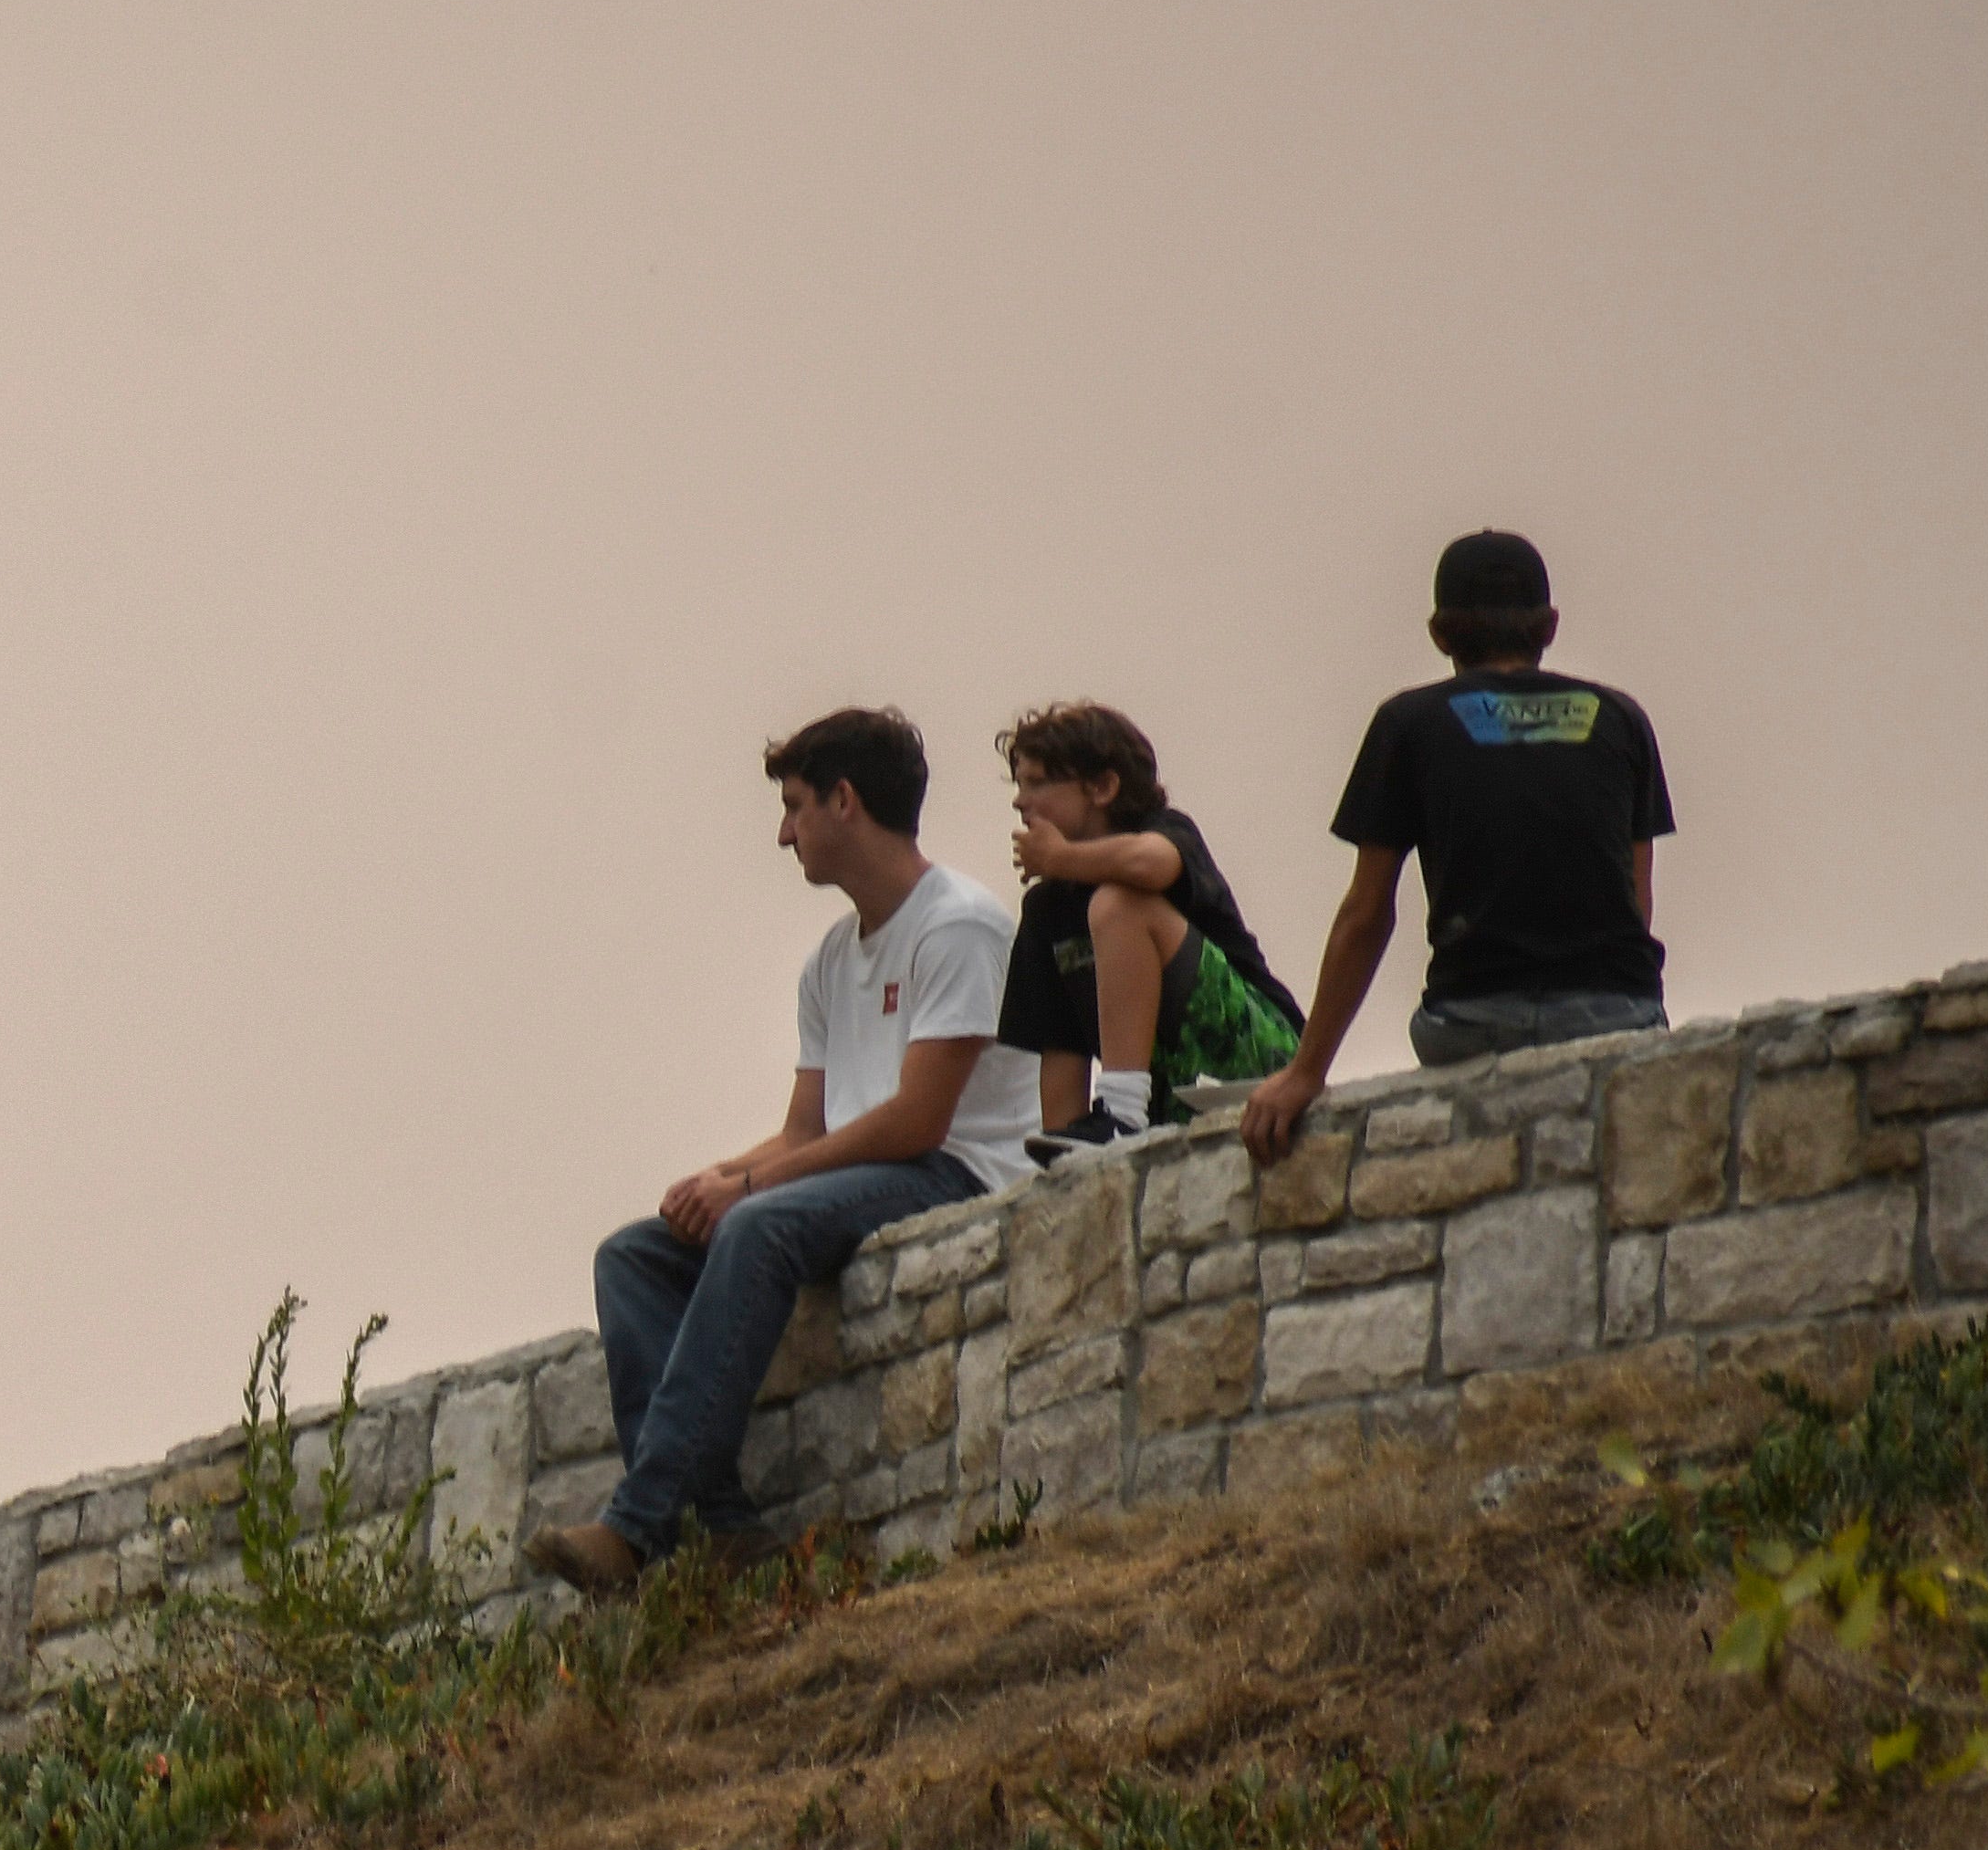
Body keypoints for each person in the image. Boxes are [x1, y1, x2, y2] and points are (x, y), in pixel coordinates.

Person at [531, 707, 1041, 1595]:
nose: (782, 832)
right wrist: (723, 1177)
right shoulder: (831, 960)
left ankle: (638, 1526)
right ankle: (723, 1523)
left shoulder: (957, 926)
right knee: (634, 1256)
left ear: (846, 802)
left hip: (954, 1174)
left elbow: (919, 1121)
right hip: (862, 1174)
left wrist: (754, 1188)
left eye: (795, 805)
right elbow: (808, 1129)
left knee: (758, 1226)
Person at [1241, 531, 1672, 1164]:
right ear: (1549, 626)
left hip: (1474, 1017)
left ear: (1440, 633)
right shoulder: (1619, 718)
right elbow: (1636, 899)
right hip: (1614, 1009)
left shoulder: (1409, 725)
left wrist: (1306, 1070)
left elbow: (1367, 913)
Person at [996, 699, 1302, 1155]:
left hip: (1264, 1064)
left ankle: (1120, 1112)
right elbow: (1062, 1047)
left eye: (1038, 783)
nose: (1020, 800)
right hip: (1168, 1103)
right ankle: (1115, 1121)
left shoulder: (1165, 831)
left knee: (1118, 902)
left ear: (1102, 787)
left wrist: (1060, 858)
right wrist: (1063, 1152)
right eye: (1019, 785)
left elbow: (1153, 865)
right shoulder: (1047, 910)